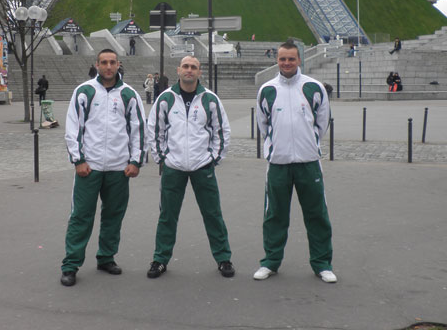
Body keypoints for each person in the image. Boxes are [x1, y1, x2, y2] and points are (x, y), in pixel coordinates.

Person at [60, 49, 146, 287]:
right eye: (104, 62)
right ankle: (71, 265)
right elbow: (73, 127)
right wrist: (78, 160)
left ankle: (106, 257)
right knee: (81, 216)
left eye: (112, 62)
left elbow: (138, 129)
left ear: (119, 65)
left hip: (119, 167)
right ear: (96, 65)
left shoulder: (129, 94)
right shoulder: (84, 91)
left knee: (113, 215)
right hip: (90, 166)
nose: (108, 66)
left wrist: (135, 161)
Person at [254, 39, 336, 284]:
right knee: (274, 215)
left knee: (317, 214)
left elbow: (322, 123)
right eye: (282, 59)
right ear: (277, 60)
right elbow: (263, 125)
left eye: (291, 59)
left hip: (308, 162)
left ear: (299, 59)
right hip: (278, 163)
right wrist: (276, 146)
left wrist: (308, 143)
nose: (287, 63)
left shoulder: (314, 87)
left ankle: (322, 264)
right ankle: (270, 262)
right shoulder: (267, 89)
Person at [146, 55, 234, 279]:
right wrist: (162, 158)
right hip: (173, 166)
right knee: (167, 215)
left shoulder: (209, 99)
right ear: (178, 70)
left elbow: (221, 130)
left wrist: (213, 158)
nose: (189, 70)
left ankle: (223, 258)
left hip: (202, 166)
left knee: (213, 214)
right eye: (185, 66)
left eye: (193, 67)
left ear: (199, 72)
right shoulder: (166, 98)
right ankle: (160, 259)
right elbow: (154, 129)